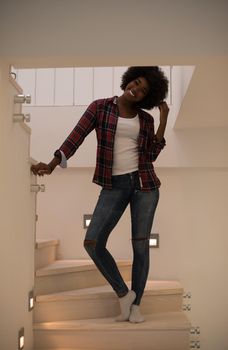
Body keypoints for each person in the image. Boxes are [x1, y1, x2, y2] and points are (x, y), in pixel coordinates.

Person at [31, 66, 169, 323]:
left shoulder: (146, 120)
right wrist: (51, 165)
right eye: (136, 82)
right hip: (113, 185)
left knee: (141, 247)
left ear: (146, 98)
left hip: (144, 186)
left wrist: (162, 122)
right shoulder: (100, 107)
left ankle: (136, 305)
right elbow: (76, 136)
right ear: (128, 80)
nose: (137, 89)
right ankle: (123, 294)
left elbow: (151, 156)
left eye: (143, 91)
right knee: (92, 242)